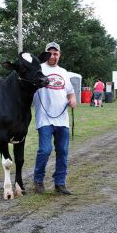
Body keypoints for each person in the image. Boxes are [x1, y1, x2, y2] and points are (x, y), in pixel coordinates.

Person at [33, 42, 77, 195]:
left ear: (59, 55)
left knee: (63, 151)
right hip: (44, 118)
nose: (53, 56)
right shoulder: (38, 69)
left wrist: (72, 99)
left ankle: (60, 183)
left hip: (62, 119)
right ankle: (38, 181)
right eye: (50, 53)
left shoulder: (64, 72)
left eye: (55, 53)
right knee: (45, 150)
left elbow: (70, 92)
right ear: (46, 54)